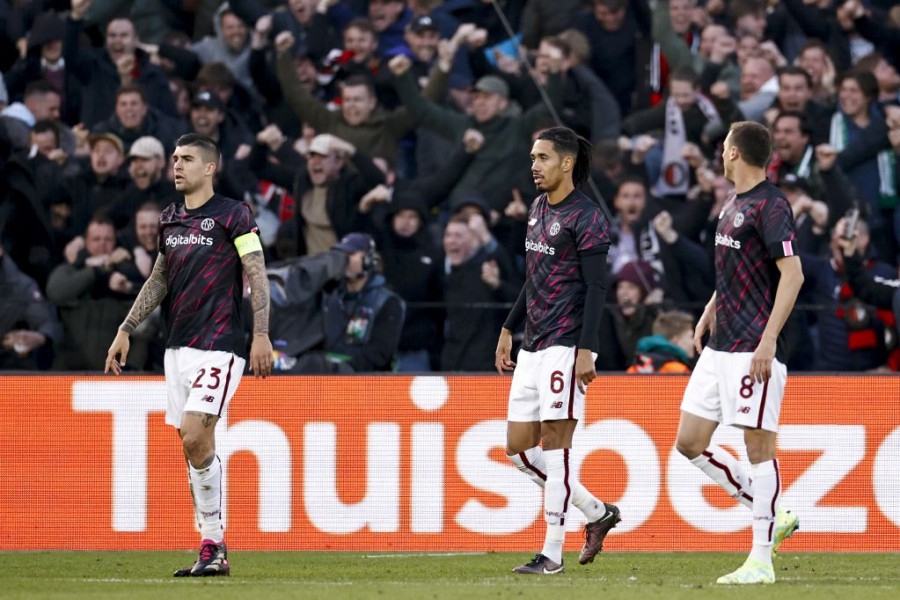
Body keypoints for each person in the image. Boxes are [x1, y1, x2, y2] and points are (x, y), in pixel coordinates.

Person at [104, 133, 273, 577]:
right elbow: (159, 279)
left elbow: (256, 273)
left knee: (196, 435)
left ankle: (213, 539)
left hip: (220, 345)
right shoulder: (169, 218)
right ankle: (211, 545)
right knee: (193, 445)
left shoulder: (234, 215)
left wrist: (262, 335)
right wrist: (126, 328)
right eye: (175, 159)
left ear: (210, 168)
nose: (176, 166)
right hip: (176, 348)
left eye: (187, 159)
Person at [675, 121, 805, 585]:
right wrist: (711, 307)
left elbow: (792, 276)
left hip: (754, 344)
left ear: (734, 153)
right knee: (689, 441)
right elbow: (738, 268)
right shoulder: (732, 203)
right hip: (720, 343)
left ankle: (761, 562)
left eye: (723, 147)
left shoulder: (772, 205)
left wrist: (769, 339)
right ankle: (771, 510)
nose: (720, 152)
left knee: (758, 448)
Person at [495, 126, 619, 575]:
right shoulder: (537, 208)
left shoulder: (587, 217)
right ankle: (596, 511)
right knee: (517, 449)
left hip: (566, 346)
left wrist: (587, 350)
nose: (534, 166)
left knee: (558, 449)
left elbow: (597, 287)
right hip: (533, 344)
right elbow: (537, 276)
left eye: (542, 158)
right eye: (532, 158)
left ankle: (551, 553)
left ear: (566, 163)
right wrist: (510, 326)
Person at [626, 310, 695, 373]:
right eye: (690, 337)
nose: (693, 342)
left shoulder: (633, 370)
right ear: (675, 340)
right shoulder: (680, 372)